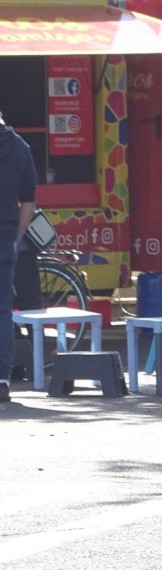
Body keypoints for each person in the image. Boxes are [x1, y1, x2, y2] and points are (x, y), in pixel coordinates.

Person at [0, 110, 38, 404]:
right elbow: (28, 201)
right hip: (5, 235)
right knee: (2, 311)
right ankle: (2, 379)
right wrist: (15, 236)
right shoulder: (20, 147)